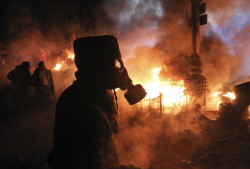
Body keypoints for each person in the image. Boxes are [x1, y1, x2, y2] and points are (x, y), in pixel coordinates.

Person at [47, 35, 146, 169]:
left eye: (119, 63)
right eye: (115, 63)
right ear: (99, 67)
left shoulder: (99, 92)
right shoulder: (85, 110)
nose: (121, 70)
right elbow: (91, 163)